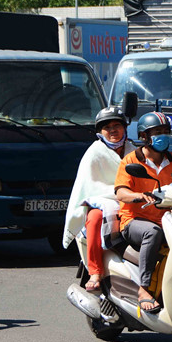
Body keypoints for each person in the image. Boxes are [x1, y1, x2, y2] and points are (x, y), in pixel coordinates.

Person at [114, 111, 172, 313]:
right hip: (133, 222)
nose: (163, 136)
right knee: (152, 232)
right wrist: (137, 195)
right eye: (157, 132)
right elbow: (120, 192)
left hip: (167, 221)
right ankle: (143, 289)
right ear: (144, 136)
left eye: (165, 131)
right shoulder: (130, 161)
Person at [62, 107, 134, 292]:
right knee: (94, 219)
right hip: (103, 201)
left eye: (117, 125)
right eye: (107, 127)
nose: (112, 130)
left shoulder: (135, 151)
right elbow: (89, 187)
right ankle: (95, 271)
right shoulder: (94, 152)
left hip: (133, 200)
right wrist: (115, 194)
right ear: (100, 132)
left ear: (125, 128)